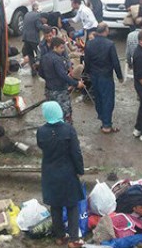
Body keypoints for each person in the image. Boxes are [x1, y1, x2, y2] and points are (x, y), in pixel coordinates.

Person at [36, 101, 85, 248]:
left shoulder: (41, 131)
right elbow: (76, 153)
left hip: (49, 172)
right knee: (72, 205)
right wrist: (80, 170)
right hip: (67, 172)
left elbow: (41, 146)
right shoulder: (68, 130)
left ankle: (60, 236)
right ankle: (74, 239)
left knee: (55, 205)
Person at [84, 23, 123, 133]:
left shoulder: (89, 44)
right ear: (106, 31)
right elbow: (115, 62)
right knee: (107, 99)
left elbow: (87, 61)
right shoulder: (110, 44)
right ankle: (107, 125)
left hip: (94, 75)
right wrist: (119, 76)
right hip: (106, 76)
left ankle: (102, 119)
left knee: (98, 98)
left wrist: (87, 73)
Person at [39, 37, 85, 123]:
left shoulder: (44, 57)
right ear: (55, 47)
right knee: (65, 112)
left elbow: (40, 73)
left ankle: (53, 128)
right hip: (59, 90)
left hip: (48, 89)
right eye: (61, 48)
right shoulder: (57, 59)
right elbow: (63, 75)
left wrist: (49, 79)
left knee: (52, 112)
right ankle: (66, 130)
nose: (63, 50)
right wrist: (76, 83)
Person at [22, 2, 43, 76]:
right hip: (33, 38)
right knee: (39, 53)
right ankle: (40, 69)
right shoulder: (37, 15)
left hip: (25, 37)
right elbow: (38, 26)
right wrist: (45, 27)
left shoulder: (27, 14)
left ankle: (33, 71)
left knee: (30, 54)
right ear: (37, 8)